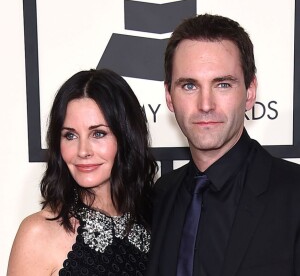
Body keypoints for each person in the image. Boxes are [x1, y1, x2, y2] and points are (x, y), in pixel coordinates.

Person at [147, 14, 300, 276]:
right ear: (169, 97)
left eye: (223, 84)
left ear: (250, 92)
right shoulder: (159, 197)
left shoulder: (294, 194)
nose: (206, 104)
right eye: (190, 85)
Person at [7, 69, 158, 276]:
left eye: (98, 133)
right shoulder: (38, 234)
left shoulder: (156, 220)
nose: (83, 151)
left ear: (126, 138)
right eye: (70, 135)